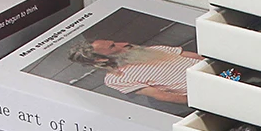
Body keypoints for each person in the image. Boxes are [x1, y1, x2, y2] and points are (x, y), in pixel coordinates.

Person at [68, 39, 202, 106]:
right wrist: (200, 103)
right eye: (113, 46)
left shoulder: (151, 50)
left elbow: (197, 56)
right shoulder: (116, 78)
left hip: (213, 72)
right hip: (202, 90)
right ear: (101, 59)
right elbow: (161, 95)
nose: (124, 43)